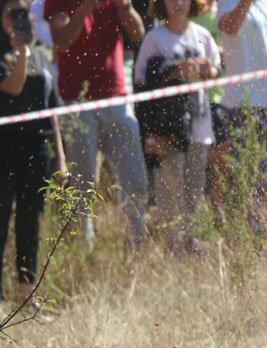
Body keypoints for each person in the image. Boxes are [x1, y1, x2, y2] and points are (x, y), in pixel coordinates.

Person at [44, 0, 149, 247]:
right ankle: (81, 252)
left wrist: (125, 6)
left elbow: (138, 33)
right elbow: (61, 42)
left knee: (135, 177)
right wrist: (85, 8)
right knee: (81, 183)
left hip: (117, 98)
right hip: (76, 101)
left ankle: (135, 247)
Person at [133, 0, 219, 253]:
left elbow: (216, 71)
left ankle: (189, 240)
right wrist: (172, 71)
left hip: (200, 122)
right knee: (170, 187)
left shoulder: (202, 35)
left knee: (194, 188)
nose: (178, 3)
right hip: (168, 128)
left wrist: (206, 70)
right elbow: (140, 79)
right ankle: (172, 245)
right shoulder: (155, 38)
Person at [1, 0, 65, 304]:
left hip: (36, 148)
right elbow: (12, 87)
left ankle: (26, 295)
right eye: (11, 13)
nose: (18, 18)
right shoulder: (4, 53)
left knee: (31, 220)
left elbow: (53, 109)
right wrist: (21, 53)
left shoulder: (42, 49)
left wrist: (61, 158)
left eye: (22, 12)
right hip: (4, 147)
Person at [215, 0, 267, 231]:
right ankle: (240, 230)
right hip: (241, 102)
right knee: (242, 171)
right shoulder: (227, 2)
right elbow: (228, 27)